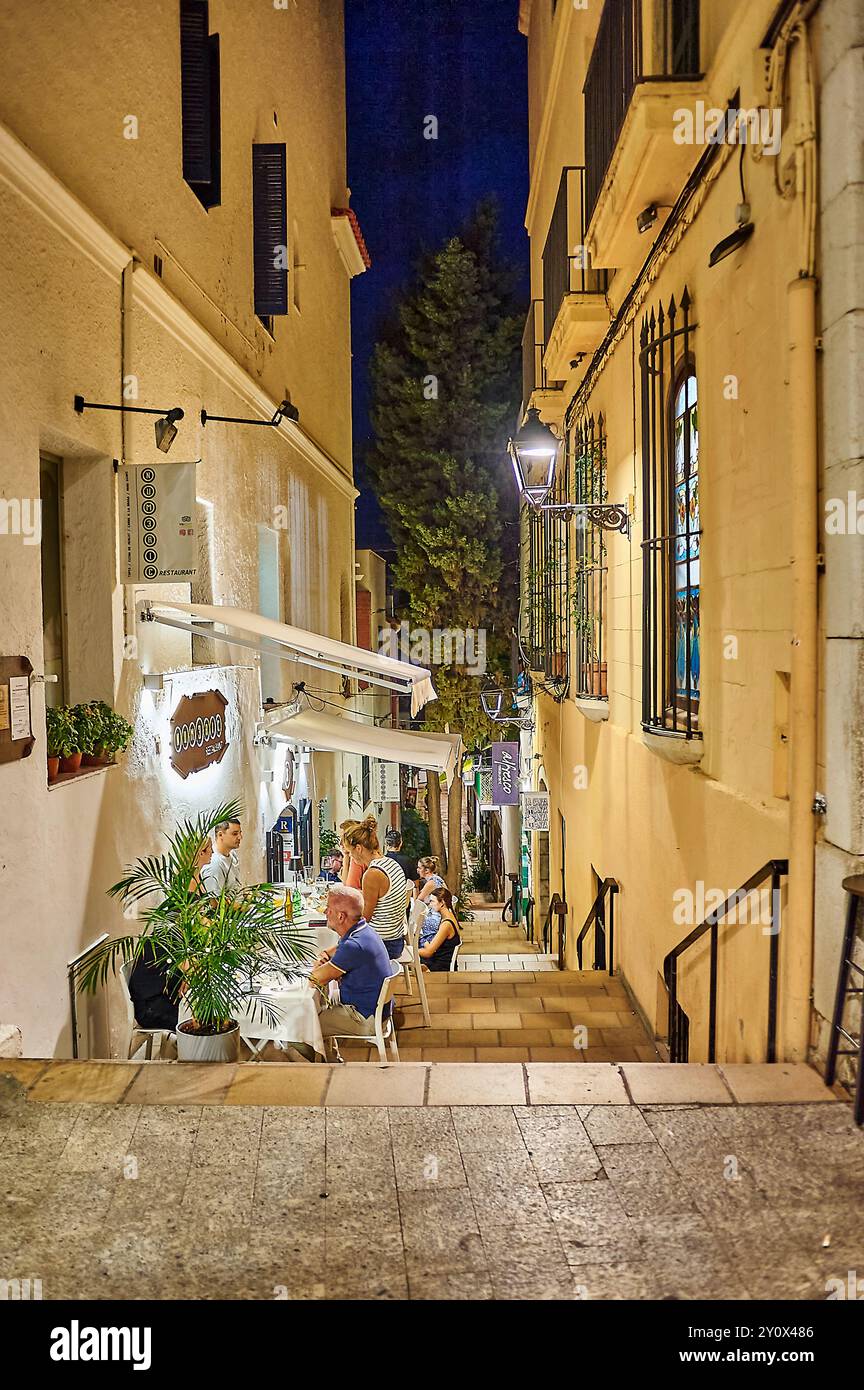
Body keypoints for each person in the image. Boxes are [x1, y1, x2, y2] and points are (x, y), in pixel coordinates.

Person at [128, 835, 211, 1030]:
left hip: (167, 994)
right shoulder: (171, 931)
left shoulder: (180, 930)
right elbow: (188, 968)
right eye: (209, 849)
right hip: (153, 1006)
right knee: (208, 1015)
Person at [308, 884, 397, 1049]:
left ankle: (315, 1069)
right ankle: (329, 1060)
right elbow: (338, 949)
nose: (325, 912)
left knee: (303, 1024)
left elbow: (314, 980)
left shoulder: (353, 945)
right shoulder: (363, 930)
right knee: (318, 1005)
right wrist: (326, 956)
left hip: (363, 1018)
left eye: (328, 909)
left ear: (341, 916)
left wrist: (318, 966)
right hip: (376, 1010)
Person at [342, 815, 407, 959]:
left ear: (358, 848)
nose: (351, 857)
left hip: (383, 944)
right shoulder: (391, 863)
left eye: (350, 853)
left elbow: (365, 918)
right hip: (395, 939)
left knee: (336, 951)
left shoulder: (372, 874)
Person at [417, 887, 461, 973]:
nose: (430, 905)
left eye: (432, 901)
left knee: (409, 965)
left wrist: (409, 950)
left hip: (440, 966)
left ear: (442, 903)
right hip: (440, 960)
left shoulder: (446, 924)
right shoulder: (450, 915)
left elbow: (427, 952)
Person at [201, 816, 242, 895]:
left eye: (240, 833)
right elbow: (216, 903)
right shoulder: (214, 863)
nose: (240, 837)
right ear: (220, 835)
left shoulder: (232, 854)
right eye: (235, 834)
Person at [338, 819, 365, 890]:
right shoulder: (352, 855)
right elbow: (345, 883)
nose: (340, 843)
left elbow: (350, 889)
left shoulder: (358, 859)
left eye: (343, 839)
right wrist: (346, 856)